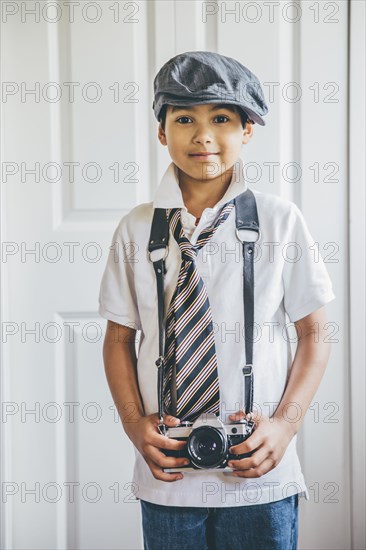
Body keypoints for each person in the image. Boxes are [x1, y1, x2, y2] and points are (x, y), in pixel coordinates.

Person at [98, 51, 336, 550]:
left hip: (260, 472)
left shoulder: (280, 221)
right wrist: (133, 426)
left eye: (221, 119)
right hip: (167, 474)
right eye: (184, 119)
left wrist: (285, 429)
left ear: (247, 129)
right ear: (162, 132)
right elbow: (119, 339)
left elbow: (315, 333)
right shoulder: (136, 228)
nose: (202, 136)